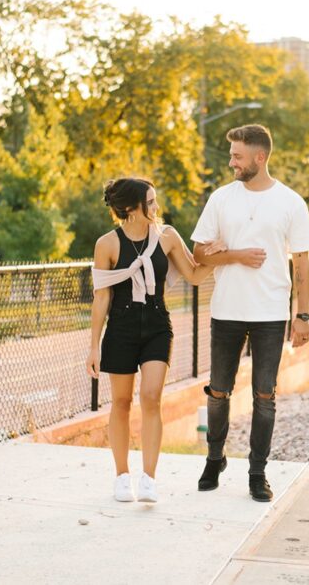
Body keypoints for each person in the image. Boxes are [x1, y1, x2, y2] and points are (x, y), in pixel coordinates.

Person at [190, 124, 309, 502]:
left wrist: (303, 316)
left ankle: (257, 473)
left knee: (265, 395)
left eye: (237, 156)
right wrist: (236, 256)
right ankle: (215, 459)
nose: (231, 162)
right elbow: (199, 254)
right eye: (231, 155)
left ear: (259, 158)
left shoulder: (291, 202)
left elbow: (303, 265)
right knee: (218, 391)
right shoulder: (221, 199)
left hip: (270, 313)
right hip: (227, 310)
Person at [86, 178, 223, 503]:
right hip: (120, 327)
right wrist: (94, 345)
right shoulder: (107, 244)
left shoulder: (168, 237)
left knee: (150, 397)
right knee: (120, 402)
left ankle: (149, 478)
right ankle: (122, 476)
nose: (157, 207)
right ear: (132, 208)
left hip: (157, 325)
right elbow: (101, 297)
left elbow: (193, 275)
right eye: (151, 202)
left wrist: (219, 256)